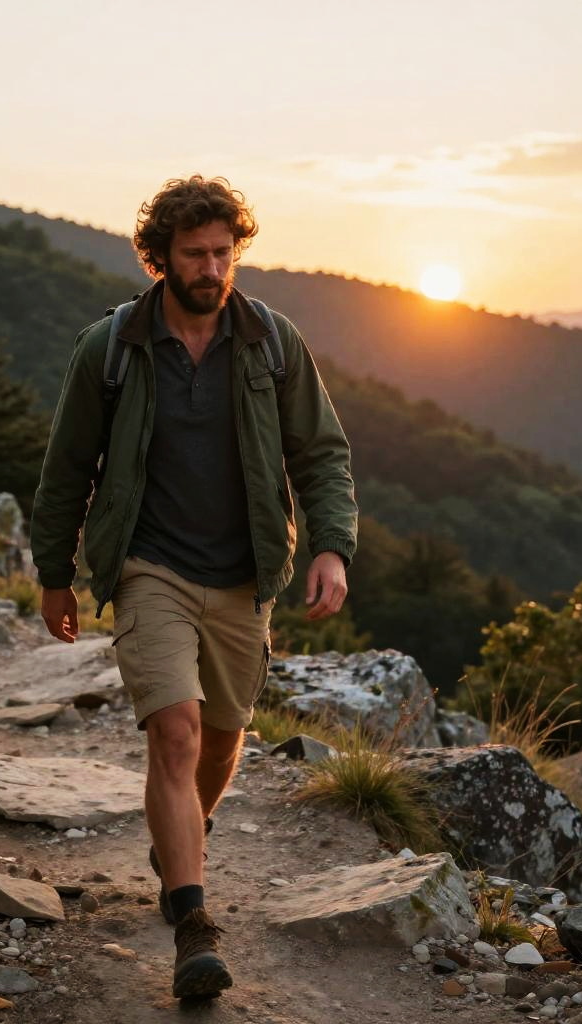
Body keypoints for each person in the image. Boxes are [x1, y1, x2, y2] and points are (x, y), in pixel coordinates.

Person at [31, 175, 358, 1000]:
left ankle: (180, 839)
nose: (213, 268)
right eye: (195, 254)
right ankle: (193, 923)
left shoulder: (272, 342)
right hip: (149, 566)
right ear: (159, 258)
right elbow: (67, 467)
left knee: (221, 738)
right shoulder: (111, 347)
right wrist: (53, 576)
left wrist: (332, 549)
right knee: (174, 736)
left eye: (224, 252)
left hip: (246, 573)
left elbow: (320, 453)